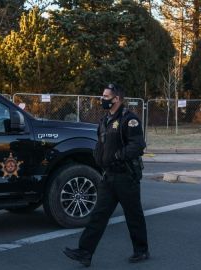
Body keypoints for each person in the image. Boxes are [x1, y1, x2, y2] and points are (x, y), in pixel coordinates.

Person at [63, 83, 149, 267]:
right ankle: (85, 252)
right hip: (108, 176)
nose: (102, 99)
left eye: (106, 97)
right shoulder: (104, 120)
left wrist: (119, 155)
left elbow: (138, 145)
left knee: (133, 216)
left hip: (126, 176)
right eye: (102, 96)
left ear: (116, 99)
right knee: (98, 216)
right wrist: (98, 157)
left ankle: (141, 250)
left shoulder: (129, 119)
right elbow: (101, 143)